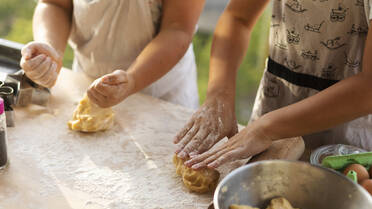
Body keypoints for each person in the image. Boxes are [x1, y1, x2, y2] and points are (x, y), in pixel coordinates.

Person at [174, 0, 372, 169]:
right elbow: (238, 19)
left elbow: (368, 88)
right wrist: (219, 95)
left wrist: (266, 129)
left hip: (345, 136)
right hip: (274, 108)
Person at [20, 0, 205, 109]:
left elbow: (178, 28)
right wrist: (50, 50)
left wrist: (133, 80)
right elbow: (54, 4)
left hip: (162, 97)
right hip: (88, 85)